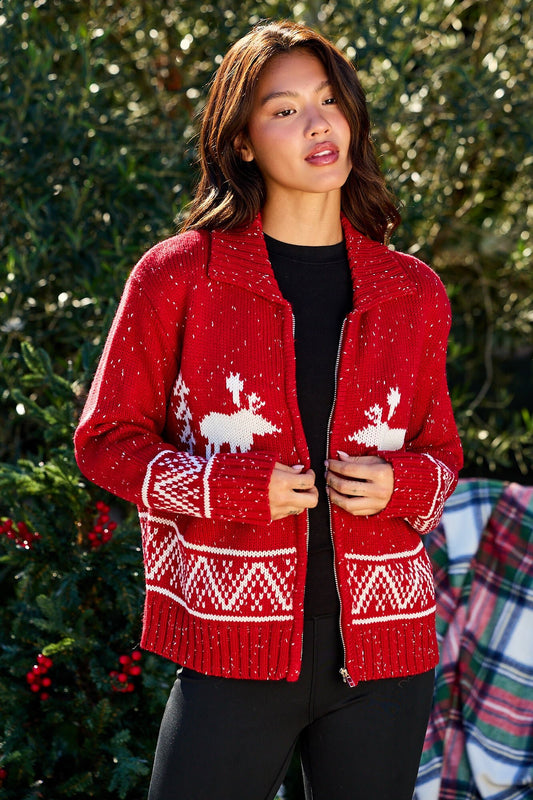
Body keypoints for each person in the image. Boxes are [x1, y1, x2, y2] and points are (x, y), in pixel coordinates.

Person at [74, 19, 463, 800]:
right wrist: (233, 490)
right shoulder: (180, 276)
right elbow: (106, 442)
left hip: (385, 659)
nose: (317, 124)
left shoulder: (410, 290)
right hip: (232, 651)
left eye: (327, 101)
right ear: (242, 141)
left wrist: (403, 487)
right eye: (283, 109)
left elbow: (441, 453)